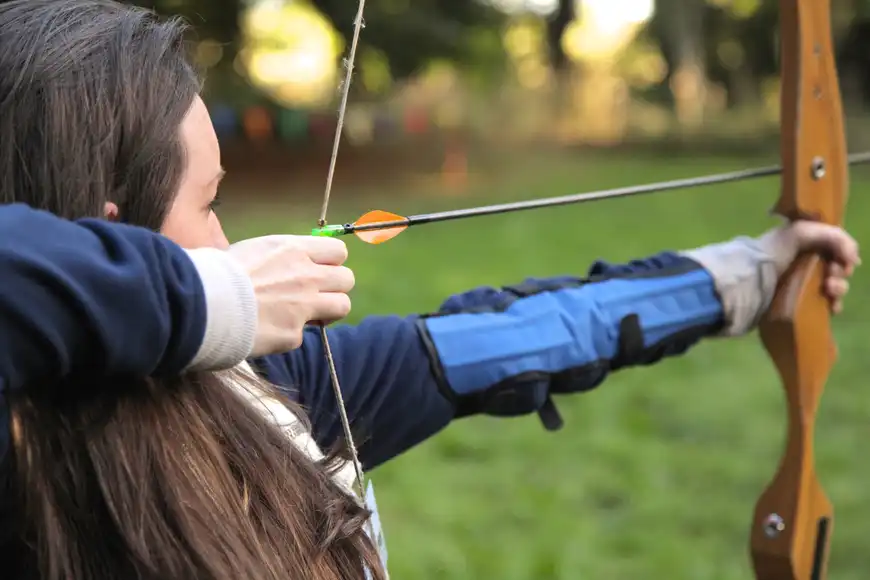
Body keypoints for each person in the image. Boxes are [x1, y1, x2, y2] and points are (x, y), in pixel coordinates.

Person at [0, 1, 859, 579]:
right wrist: (203, 296)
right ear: (109, 237)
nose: (233, 245)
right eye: (210, 206)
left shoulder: (268, 394)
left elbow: (534, 332)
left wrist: (753, 274)